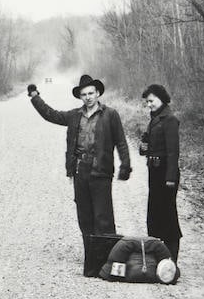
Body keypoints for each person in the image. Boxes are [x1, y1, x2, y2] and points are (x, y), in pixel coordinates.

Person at [27, 75, 131, 275]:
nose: (88, 97)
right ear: (80, 97)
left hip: (101, 172)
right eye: (84, 94)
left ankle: (107, 259)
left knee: (103, 216)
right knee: (85, 216)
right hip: (80, 171)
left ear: (98, 93)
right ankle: (91, 259)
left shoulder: (110, 115)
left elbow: (121, 141)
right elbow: (51, 115)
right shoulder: (74, 116)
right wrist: (35, 97)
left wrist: (125, 165)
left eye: (91, 93)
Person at [139, 84, 182, 262]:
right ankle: (158, 258)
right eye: (147, 102)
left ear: (161, 98)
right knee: (155, 215)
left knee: (168, 217)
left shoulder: (169, 119)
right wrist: (144, 147)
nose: (149, 104)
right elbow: (149, 147)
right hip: (155, 172)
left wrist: (170, 178)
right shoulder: (155, 118)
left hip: (165, 174)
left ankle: (171, 261)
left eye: (151, 101)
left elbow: (173, 151)